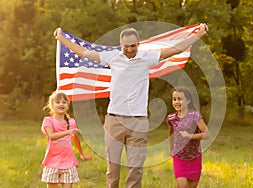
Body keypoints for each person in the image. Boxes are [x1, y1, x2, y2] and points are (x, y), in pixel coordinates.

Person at [54, 23, 208, 188]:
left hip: (138, 122)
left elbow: (174, 50)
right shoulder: (112, 57)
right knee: (113, 168)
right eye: (126, 46)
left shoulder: (146, 58)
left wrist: (198, 35)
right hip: (114, 120)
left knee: (135, 169)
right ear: (121, 45)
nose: (129, 49)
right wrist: (61, 38)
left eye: (133, 46)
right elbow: (83, 52)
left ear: (138, 44)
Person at [41, 91, 92, 188]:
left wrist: (81, 153)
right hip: (52, 162)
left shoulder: (71, 122)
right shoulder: (48, 120)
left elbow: (75, 138)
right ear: (51, 105)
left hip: (68, 162)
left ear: (68, 105)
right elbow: (52, 136)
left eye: (64, 102)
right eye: (58, 102)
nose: (61, 104)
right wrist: (68, 132)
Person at [166, 87, 210, 188]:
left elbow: (207, 134)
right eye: (174, 99)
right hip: (179, 157)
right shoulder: (171, 118)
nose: (176, 102)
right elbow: (170, 133)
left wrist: (190, 136)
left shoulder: (195, 116)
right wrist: (171, 149)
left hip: (195, 158)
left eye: (180, 99)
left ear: (188, 100)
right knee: (182, 185)